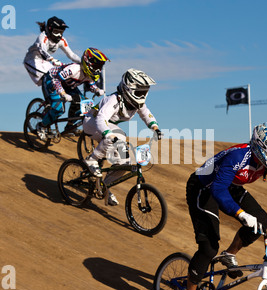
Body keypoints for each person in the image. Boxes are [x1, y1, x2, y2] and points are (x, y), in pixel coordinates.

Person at [183, 122, 267, 290]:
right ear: (261, 148)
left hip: (230, 186)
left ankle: (229, 254)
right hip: (203, 188)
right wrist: (240, 213)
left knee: (261, 221)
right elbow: (218, 189)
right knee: (209, 248)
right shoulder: (238, 156)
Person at [82, 68, 163, 206]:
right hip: (92, 122)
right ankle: (92, 159)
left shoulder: (136, 102)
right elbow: (101, 118)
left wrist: (154, 127)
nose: (142, 95)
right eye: (140, 92)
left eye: (144, 92)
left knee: (124, 162)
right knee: (117, 137)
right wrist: (108, 134)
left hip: (109, 125)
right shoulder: (115, 100)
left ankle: (104, 188)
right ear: (128, 89)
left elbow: (146, 114)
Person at [36, 47, 108, 138]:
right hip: (52, 80)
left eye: (100, 67)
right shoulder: (74, 69)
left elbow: (91, 85)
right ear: (88, 62)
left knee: (85, 105)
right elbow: (56, 81)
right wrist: (63, 94)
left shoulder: (89, 74)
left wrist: (97, 90)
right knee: (58, 109)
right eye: (97, 66)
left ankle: (70, 127)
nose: (98, 70)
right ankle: (41, 126)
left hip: (68, 85)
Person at [24, 16, 81, 86]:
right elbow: (42, 49)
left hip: (45, 61)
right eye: (56, 32)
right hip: (33, 60)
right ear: (49, 29)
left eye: (61, 32)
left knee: (61, 76)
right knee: (48, 77)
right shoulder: (43, 37)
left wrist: (82, 62)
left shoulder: (62, 40)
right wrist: (52, 59)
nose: (59, 35)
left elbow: (71, 55)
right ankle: (50, 95)